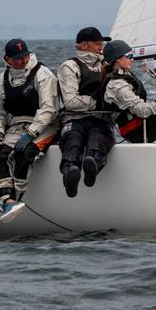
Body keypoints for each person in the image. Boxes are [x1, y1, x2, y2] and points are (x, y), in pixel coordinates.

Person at [0, 39, 59, 222]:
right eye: (17, 58)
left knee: (26, 152)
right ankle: (7, 199)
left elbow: (49, 109)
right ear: (7, 59)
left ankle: (17, 196)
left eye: (25, 55)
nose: (22, 60)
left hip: (45, 125)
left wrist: (31, 134)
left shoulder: (43, 74)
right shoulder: (0, 81)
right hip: (17, 125)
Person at [57, 26, 116, 198]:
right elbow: (70, 101)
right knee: (73, 139)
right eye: (97, 43)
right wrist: (97, 103)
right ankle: (70, 172)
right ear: (84, 46)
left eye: (101, 43)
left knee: (98, 137)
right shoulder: (69, 67)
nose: (101, 46)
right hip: (73, 118)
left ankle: (93, 165)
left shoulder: (107, 65)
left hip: (100, 118)